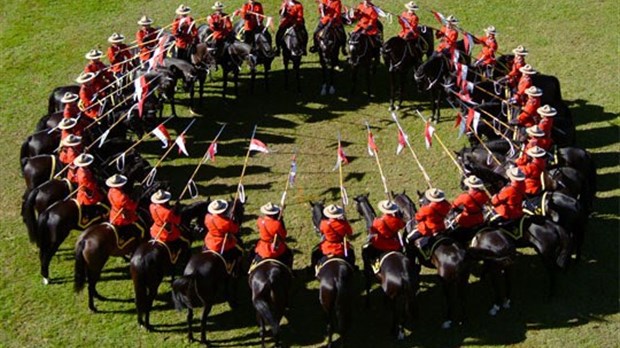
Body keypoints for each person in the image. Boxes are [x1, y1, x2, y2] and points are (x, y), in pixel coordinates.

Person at [361, 200, 405, 274]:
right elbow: (402, 225)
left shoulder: (378, 221)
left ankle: (369, 270)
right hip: (394, 245)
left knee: (366, 251)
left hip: (380, 245)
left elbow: (372, 231)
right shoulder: (397, 220)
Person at [253, 202, 293, 268]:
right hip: (275, 249)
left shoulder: (259, 220)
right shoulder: (277, 224)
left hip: (262, 248)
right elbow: (283, 235)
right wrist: (280, 221)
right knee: (289, 253)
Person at [204, 199, 243, 265]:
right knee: (240, 251)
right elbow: (235, 230)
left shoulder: (207, 217)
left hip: (209, 240)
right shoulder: (226, 222)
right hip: (222, 243)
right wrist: (233, 221)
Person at [106, 174, 144, 238]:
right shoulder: (122, 196)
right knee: (142, 229)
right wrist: (136, 199)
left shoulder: (111, 190)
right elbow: (132, 207)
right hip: (122, 218)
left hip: (113, 214)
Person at [73, 153, 106, 222]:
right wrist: (96, 183)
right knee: (100, 197)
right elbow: (88, 185)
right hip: (86, 194)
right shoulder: (83, 174)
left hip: (85, 188)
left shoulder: (81, 169)